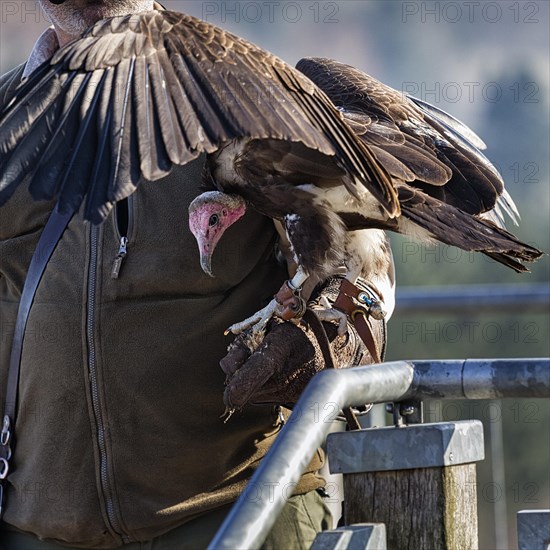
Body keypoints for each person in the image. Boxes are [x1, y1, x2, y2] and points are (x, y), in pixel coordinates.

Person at [0, 1, 393, 548]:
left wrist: (331, 330)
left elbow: (358, 258)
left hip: (234, 508)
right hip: (41, 521)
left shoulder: (245, 100)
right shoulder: (8, 121)